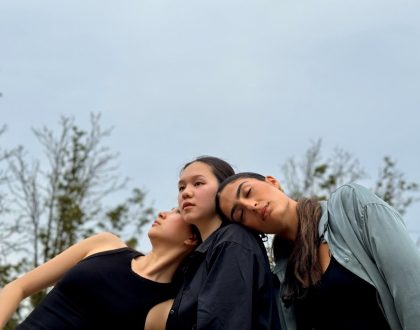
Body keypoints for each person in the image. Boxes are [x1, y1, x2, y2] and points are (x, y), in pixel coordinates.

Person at [216, 172, 420, 330]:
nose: (251, 205)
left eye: (248, 192)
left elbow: (411, 287)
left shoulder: (349, 206)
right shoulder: (280, 282)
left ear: (272, 182)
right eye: (240, 214)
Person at [0, 208, 200, 330]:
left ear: (191, 238)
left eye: (177, 212)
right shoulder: (105, 244)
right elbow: (17, 287)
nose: (163, 213)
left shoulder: (166, 307)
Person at [159, 156, 281, 329]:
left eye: (198, 183)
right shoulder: (195, 259)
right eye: (181, 187)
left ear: (223, 189)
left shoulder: (232, 240)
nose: (186, 192)